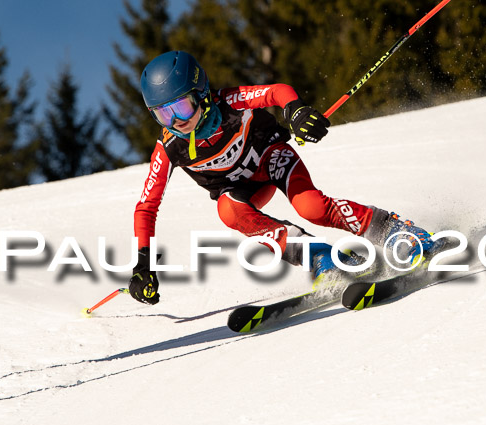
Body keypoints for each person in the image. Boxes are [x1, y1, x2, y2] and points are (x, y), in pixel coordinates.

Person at [129, 51, 444, 305]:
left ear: (202, 94)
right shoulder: (170, 147)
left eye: (182, 107)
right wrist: (143, 263)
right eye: (163, 115)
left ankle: (394, 230)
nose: (177, 122)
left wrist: (296, 110)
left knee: (311, 207)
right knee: (227, 210)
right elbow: (146, 207)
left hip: (272, 161)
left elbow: (277, 92)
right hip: (241, 191)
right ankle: (320, 257)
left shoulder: (230, 103)